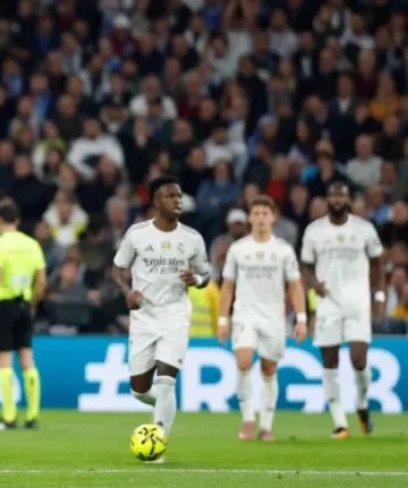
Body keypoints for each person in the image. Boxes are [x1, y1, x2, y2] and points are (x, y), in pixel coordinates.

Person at [112, 175, 210, 462]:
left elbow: (206, 274)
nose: (177, 200)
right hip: (143, 318)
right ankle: (165, 407)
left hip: (176, 315)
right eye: (170, 196)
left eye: (179, 196)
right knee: (140, 390)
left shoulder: (192, 238)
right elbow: (118, 269)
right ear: (155, 201)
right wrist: (127, 292)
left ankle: (158, 442)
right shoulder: (137, 234)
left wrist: (197, 280)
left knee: (166, 381)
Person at [217, 195, 307, 441]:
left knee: (269, 369)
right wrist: (223, 319)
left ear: (273, 218)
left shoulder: (283, 250)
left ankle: (266, 425)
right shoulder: (238, 249)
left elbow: (295, 286)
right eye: (255, 213)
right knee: (243, 361)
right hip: (245, 313)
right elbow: (227, 286)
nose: (260, 218)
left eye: (264, 214)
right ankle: (248, 418)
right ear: (250, 218)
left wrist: (301, 318)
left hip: (273, 318)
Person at [299, 182, 385, 439]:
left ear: (349, 200)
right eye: (333, 195)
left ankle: (362, 403)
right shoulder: (314, 231)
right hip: (328, 304)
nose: (337, 199)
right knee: (330, 361)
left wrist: (378, 295)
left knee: (359, 360)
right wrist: (314, 285)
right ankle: (339, 422)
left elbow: (378, 263)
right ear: (327, 199)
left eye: (342, 195)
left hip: (358, 302)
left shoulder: (364, 229)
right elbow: (305, 265)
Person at [0, 198, 47, 431]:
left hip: (4, 305)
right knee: (27, 359)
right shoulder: (32, 244)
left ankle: (8, 417)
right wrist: (32, 304)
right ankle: (33, 415)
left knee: (4, 361)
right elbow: (41, 282)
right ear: (17, 219)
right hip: (24, 304)